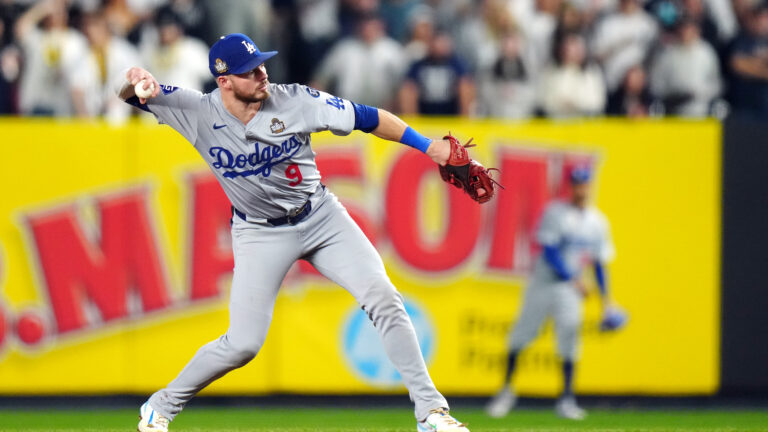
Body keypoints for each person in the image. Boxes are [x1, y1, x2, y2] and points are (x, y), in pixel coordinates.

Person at [115, 32, 479, 432]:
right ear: (224, 81)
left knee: (384, 298)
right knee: (243, 345)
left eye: (261, 64)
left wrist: (428, 147)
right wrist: (134, 79)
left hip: (320, 216)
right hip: (259, 233)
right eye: (249, 71)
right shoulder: (197, 110)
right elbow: (131, 94)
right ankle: (160, 406)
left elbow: (369, 117)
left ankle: (431, 413)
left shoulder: (296, 100)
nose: (261, 74)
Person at [485, 167, 616, 420]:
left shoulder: (597, 222)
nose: (581, 189)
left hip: (569, 290)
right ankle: (506, 392)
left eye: (584, 184)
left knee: (569, 340)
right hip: (543, 283)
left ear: (590, 186)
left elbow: (600, 264)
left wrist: (607, 301)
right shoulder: (555, 212)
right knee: (520, 336)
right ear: (570, 187)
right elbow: (550, 251)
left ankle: (567, 398)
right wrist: (574, 278)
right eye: (577, 184)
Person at [649, 16, 722, 117]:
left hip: (701, 111)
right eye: (683, 29)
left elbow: (716, 83)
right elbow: (656, 84)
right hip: (673, 111)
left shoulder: (706, 52)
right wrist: (674, 95)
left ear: (697, 31)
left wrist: (699, 93)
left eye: (690, 30)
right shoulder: (667, 54)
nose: (686, 33)